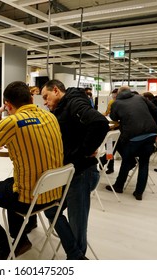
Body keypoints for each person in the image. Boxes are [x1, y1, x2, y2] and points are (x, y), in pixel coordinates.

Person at [0, 81, 74, 260]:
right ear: (31, 98)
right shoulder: (50, 116)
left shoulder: (11, 122)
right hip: (53, 193)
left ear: (7, 105)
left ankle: (6, 245)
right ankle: (21, 238)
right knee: (9, 184)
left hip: (29, 198)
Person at [41, 79, 109, 258]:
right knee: (50, 209)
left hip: (81, 172)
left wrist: (83, 152)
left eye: (46, 97)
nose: (45, 102)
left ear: (56, 90)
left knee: (77, 223)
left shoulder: (74, 102)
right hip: (71, 172)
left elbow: (99, 123)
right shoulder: (65, 105)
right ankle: (75, 253)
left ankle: (77, 257)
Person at [106, 86, 157, 200]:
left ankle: (119, 186)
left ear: (118, 94)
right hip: (151, 133)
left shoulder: (117, 103)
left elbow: (113, 117)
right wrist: (155, 124)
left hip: (133, 136)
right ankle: (139, 193)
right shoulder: (139, 97)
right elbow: (155, 110)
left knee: (125, 161)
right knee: (144, 164)